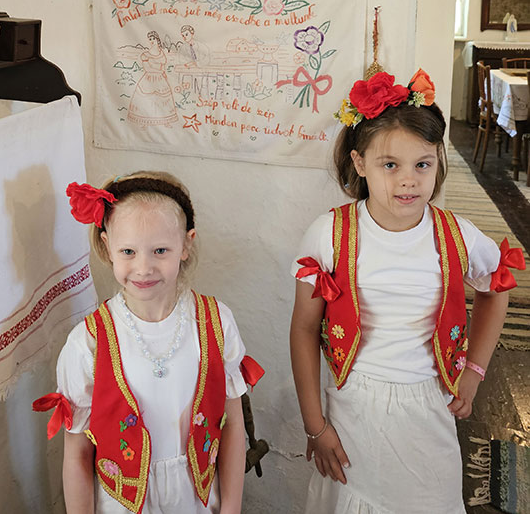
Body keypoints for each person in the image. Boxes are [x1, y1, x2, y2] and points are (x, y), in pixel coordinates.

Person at [289, 68, 525, 514]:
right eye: (390, 165)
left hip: (428, 407)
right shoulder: (330, 235)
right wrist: (315, 426)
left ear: (438, 160)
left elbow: (496, 288)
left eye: (423, 164)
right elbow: (303, 329)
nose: (408, 180)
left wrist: (474, 370)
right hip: (353, 407)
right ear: (360, 163)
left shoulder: (457, 235)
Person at [34, 172, 260, 514]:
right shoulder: (87, 344)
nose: (143, 267)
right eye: (128, 251)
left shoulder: (216, 324)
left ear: (186, 245)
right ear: (106, 246)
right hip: (121, 505)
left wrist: (231, 508)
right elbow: (77, 452)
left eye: (160, 250)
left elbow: (232, 427)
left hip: (198, 500)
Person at [127, 32, 178, 128]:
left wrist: (160, 70)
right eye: (150, 39)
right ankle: (145, 122)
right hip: (149, 78)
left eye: (153, 39)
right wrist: (158, 69)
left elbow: (162, 67)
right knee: (147, 99)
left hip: (160, 79)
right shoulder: (146, 54)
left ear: (157, 39)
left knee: (163, 100)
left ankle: (165, 121)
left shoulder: (161, 53)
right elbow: (147, 68)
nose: (151, 41)